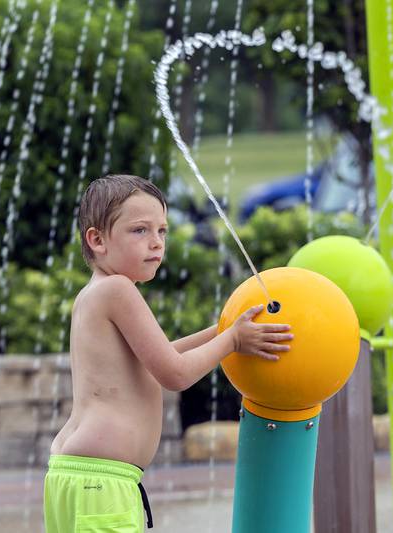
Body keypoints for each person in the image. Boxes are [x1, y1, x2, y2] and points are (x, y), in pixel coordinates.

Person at [43, 174, 292, 532]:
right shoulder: (119, 290)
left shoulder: (95, 293)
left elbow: (157, 357)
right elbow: (174, 374)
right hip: (102, 483)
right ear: (97, 240)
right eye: (140, 231)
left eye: (162, 231)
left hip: (76, 476)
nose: (156, 243)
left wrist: (222, 330)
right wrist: (233, 342)